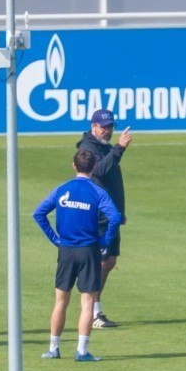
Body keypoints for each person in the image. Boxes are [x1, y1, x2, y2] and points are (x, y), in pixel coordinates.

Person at [33, 149, 122, 362]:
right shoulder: (97, 191)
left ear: (74, 166)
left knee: (60, 301)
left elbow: (39, 213)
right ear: (93, 168)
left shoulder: (63, 189)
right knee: (87, 302)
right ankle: (82, 351)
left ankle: (53, 348)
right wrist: (105, 241)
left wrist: (55, 238)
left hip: (66, 250)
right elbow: (115, 217)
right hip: (89, 250)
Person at [78, 108, 132, 329]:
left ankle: (94, 308)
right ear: (93, 126)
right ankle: (91, 311)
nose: (108, 130)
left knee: (109, 261)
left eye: (110, 126)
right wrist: (120, 148)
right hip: (98, 216)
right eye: (104, 126)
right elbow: (98, 170)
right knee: (100, 262)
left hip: (110, 216)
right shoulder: (88, 148)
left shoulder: (104, 147)